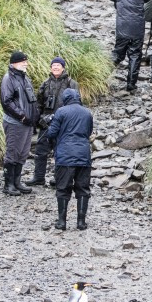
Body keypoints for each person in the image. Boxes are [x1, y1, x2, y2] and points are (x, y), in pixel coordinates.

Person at [26, 57, 80, 187]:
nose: (55, 68)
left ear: (63, 67)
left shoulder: (71, 84)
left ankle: (58, 178)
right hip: (46, 123)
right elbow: (38, 103)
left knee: (60, 151)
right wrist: (37, 120)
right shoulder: (45, 84)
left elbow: (77, 104)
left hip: (63, 124)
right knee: (40, 151)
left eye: (58, 65)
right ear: (50, 68)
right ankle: (38, 177)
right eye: (53, 66)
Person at [45, 88, 94, 231]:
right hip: (83, 155)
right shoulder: (87, 113)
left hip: (65, 156)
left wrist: (49, 124)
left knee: (63, 188)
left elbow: (52, 133)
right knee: (83, 188)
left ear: (65, 99)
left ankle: (61, 222)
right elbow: (89, 132)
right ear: (78, 97)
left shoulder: (61, 111)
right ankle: (81, 222)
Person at [0, 51, 40, 196]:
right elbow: (6, 101)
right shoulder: (8, 79)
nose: (25, 63)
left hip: (27, 124)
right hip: (15, 123)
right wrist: (22, 116)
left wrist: (34, 117)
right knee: (12, 152)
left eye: (26, 61)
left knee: (22, 153)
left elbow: (31, 99)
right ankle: (8, 184)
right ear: (14, 63)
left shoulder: (24, 78)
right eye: (22, 61)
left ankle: (17, 182)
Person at [108, 0, 152, 92]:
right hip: (137, 30)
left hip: (122, 29)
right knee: (134, 55)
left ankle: (103, 74)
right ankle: (131, 84)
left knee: (117, 54)